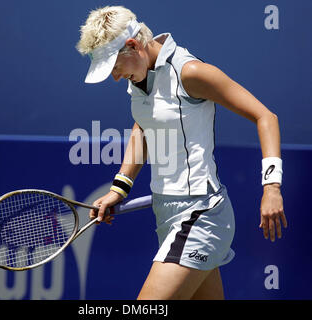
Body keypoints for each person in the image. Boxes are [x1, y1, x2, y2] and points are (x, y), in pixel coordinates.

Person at [76, 5, 287, 300]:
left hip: (202, 216)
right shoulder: (139, 77)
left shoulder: (191, 72)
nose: (114, 77)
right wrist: (119, 189)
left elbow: (266, 118)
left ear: (133, 45)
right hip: (167, 217)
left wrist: (272, 186)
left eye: (114, 67)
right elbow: (143, 127)